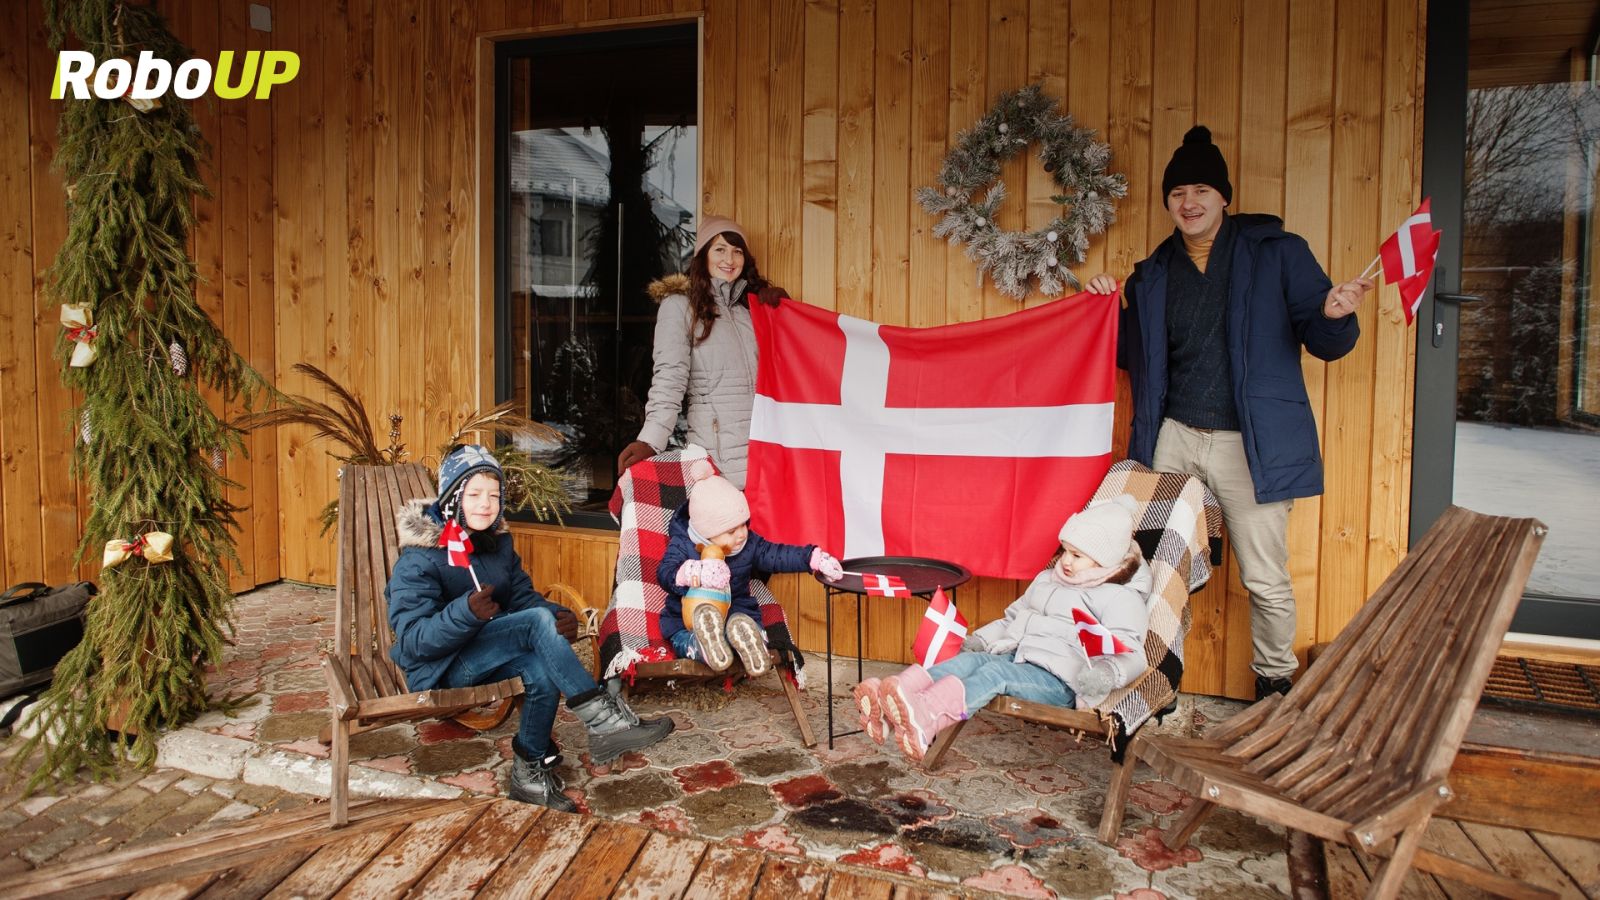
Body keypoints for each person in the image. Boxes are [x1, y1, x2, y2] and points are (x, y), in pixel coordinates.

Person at [1085, 125, 1373, 700]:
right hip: (1174, 438)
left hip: (1251, 444)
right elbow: (1132, 357)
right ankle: (1151, 678)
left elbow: (1324, 341)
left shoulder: (1278, 253)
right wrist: (1105, 313)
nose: (1188, 202)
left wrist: (1335, 314)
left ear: (1223, 196)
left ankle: (1274, 683)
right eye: (1177, 193)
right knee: (1155, 569)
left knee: (1264, 576)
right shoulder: (1153, 274)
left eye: (1201, 190)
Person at [387, 444, 675, 812]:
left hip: (487, 653)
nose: (486, 504)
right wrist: (465, 613)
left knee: (539, 667)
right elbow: (413, 641)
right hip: (442, 668)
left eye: (494, 495)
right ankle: (604, 722)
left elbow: (523, 598)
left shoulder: (496, 543)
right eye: (474, 494)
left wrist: (556, 615)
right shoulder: (420, 559)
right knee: (535, 626)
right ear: (452, 498)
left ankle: (529, 777)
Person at [854, 497, 1153, 761]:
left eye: (1077, 556)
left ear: (1104, 560)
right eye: (1065, 551)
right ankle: (893, 701)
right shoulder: (1048, 580)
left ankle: (928, 717)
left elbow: (1131, 649)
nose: (1066, 561)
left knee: (994, 674)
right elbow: (1013, 618)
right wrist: (982, 640)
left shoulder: (1120, 597)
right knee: (969, 662)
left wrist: (1105, 673)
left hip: (1059, 679)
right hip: (1017, 655)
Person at [616, 216, 789, 489]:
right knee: (724, 516)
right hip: (717, 456)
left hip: (764, 447)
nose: (729, 259)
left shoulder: (750, 308)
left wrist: (783, 313)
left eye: (737, 251)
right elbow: (669, 378)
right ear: (703, 255)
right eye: (720, 249)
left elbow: (785, 367)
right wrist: (651, 439)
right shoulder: (680, 307)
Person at [656, 468, 844, 674]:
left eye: (744, 524)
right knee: (683, 638)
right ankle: (702, 645)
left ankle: (749, 640)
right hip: (688, 619)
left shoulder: (749, 544)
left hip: (735, 611)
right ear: (706, 532)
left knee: (745, 623)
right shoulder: (683, 545)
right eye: (731, 531)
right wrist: (694, 572)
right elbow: (665, 573)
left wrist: (813, 558)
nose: (741, 534)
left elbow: (777, 555)